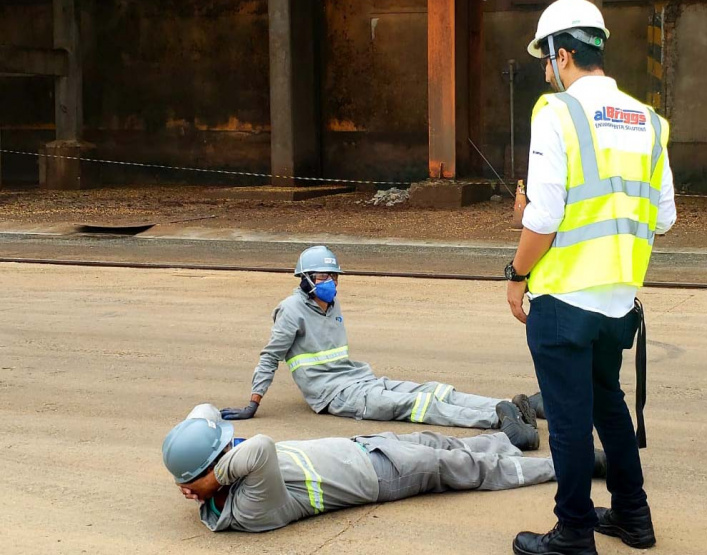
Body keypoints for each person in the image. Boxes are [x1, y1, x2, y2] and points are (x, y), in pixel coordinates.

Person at [505, 0, 677, 552]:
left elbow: (545, 217)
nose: (545, 73)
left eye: (545, 62)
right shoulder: (649, 121)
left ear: (561, 55)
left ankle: (574, 531)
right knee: (608, 404)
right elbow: (665, 216)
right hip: (618, 304)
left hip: (563, 300)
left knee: (569, 418)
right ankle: (633, 516)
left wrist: (516, 271)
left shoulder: (556, 112)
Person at [221, 245, 540, 450]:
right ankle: (500, 420)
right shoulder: (290, 310)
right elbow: (270, 356)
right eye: (323, 276)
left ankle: (509, 404)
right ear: (304, 279)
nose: (331, 281)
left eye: (334, 275)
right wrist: (253, 402)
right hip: (335, 396)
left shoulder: (330, 304)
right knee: (417, 407)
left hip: (359, 379)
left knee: (433, 390)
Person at [163, 404, 610, 533]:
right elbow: (259, 447)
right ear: (210, 475)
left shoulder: (225, 476)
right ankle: (568, 466)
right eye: (225, 450)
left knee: (441, 442)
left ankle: (511, 439)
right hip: (382, 477)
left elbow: (206, 415)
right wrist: (209, 479)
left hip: (365, 447)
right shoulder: (249, 510)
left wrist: (203, 470)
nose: (234, 444)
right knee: (472, 469)